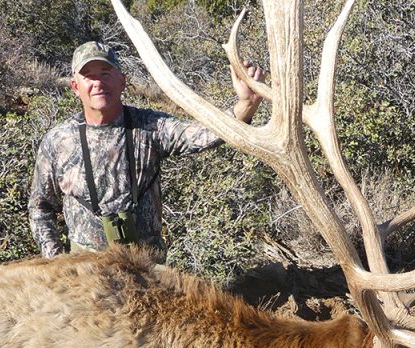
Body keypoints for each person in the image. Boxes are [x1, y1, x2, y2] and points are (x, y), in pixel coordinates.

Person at [29, 41, 264, 258]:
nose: (98, 83)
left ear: (122, 81)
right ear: (75, 86)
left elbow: (204, 134)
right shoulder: (58, 141)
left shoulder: (150, 126)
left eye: (106, 74)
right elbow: (40, 208)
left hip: (148, 271)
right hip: (86, 278)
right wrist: (57, 262)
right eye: (89, 77)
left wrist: (245, 105)